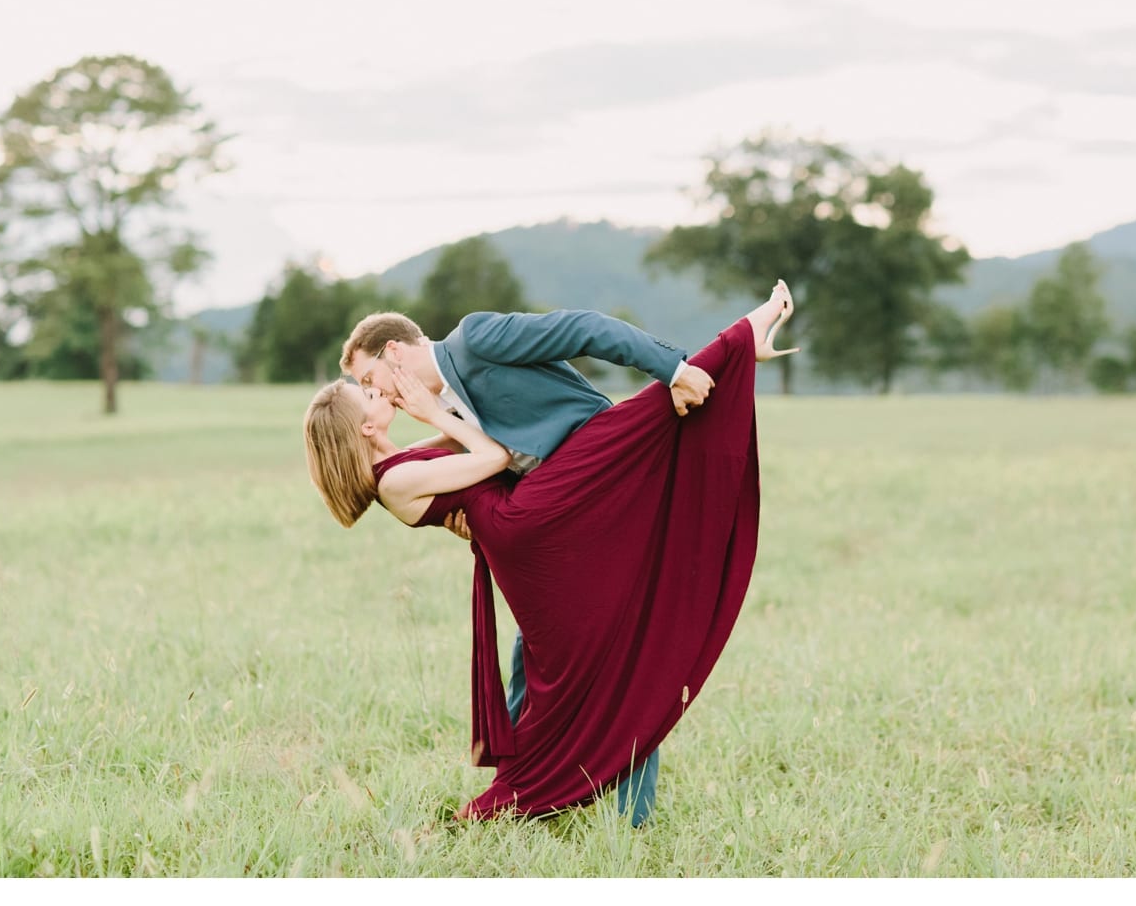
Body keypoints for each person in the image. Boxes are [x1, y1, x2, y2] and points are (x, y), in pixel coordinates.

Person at [303, 282, 796, 822]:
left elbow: (585, 329)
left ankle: (741, 339)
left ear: (394, 352)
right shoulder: (421, 434)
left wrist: (673, 370)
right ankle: (528, 794)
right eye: (365, 391)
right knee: (590, 656)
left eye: (371, 379)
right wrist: (463, 508)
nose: (379, 393)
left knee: (601, 650)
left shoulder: (476, 340)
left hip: (594, 479)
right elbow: (468, 466)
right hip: (550, 527)